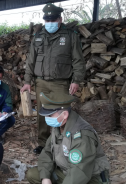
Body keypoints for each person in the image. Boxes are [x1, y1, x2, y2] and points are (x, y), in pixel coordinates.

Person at [20, 3, 86, 154]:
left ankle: (65, 143)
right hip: (41, 82)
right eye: (47, 20)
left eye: (53, 20)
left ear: (60, 19)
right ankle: (43, 143)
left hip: (61, 83)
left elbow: (78, 60)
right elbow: (31, 61)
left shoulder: (70, 36)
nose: (49, 23)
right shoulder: (38, 36)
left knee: (62, 114)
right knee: (42, 114)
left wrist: (76, 80)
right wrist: (27, 82)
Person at [26, 91, 110, 184]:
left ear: (64, 114)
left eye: (50, 115)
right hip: (65, 171)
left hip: (89, 178)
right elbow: (47, 152)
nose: (47, 118)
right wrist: (45, 177)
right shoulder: (59, 125)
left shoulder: (82, 136)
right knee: (33, 175)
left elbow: (79, 172)